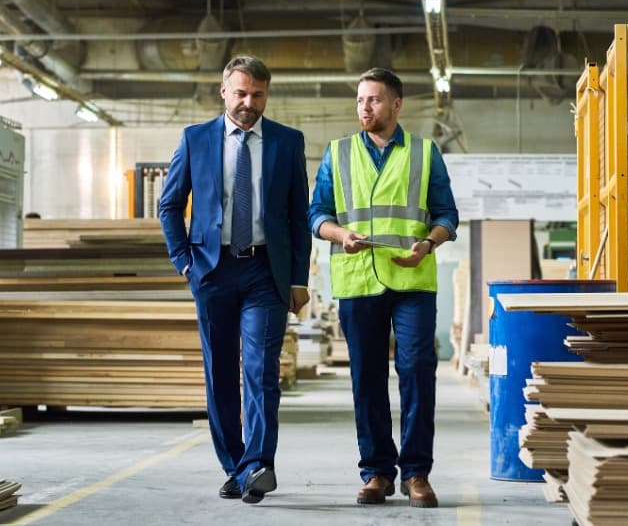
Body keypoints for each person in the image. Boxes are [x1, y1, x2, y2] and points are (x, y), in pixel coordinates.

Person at [159, 55, 311, 504]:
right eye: (241, 93)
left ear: (267, 94)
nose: (249, 103)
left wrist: (298, 279)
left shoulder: (287, 142)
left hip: (266, 272)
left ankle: (259, 465)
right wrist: (185, 263)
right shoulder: (195, 140)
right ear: (223, 90)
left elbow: (298, 218)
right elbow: (169, 206)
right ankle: (234, 465)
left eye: (258, 95)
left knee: (261, 370)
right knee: (219, 371)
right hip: (213, 270)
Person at [308, 67, 458, 509]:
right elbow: (317, 214)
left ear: (396, 104)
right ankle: (376, 471)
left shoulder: (425, 153)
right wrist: (341, 236)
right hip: (358, 278)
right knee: (367, 377)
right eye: (359, 100)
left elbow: (447, 215)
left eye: (373, 100)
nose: (364, 108)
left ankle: (416, 473)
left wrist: (429, 243)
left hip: (412, 276)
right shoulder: (337, 154)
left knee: (415, 370)